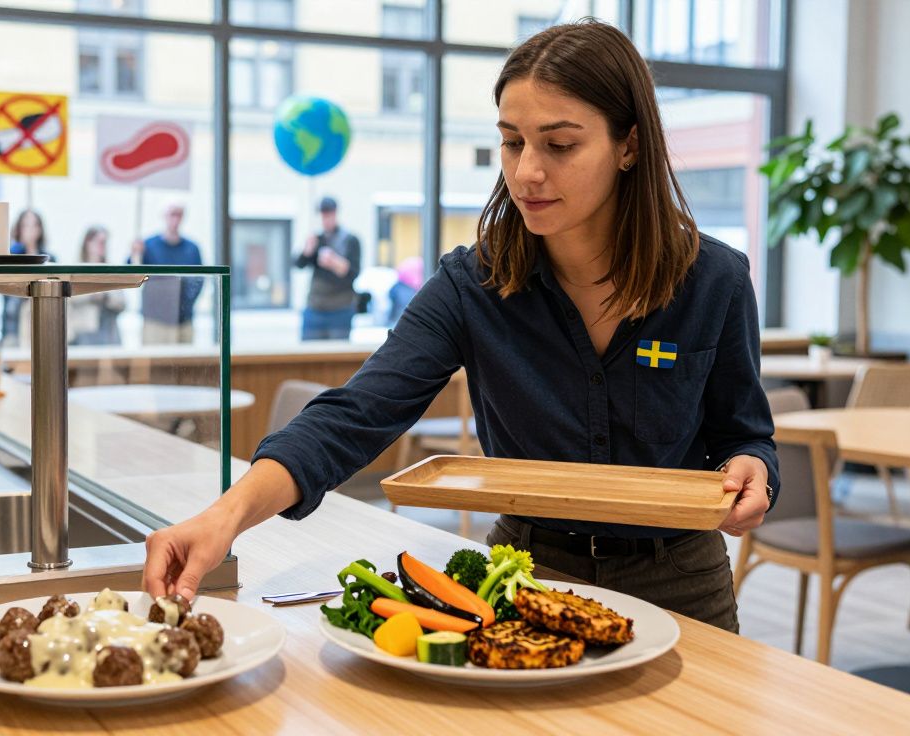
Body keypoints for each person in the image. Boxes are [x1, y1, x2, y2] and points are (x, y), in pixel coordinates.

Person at [142, 21, 779, 634]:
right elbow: (355, 414)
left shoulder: (714, 279)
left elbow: (743, 433)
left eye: (560, 145)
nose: (527, 170)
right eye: (512, 141)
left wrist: (753, 466)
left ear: (629, 146)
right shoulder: (473, 284)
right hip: (526, 575)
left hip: (682, 583)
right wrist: (224, 518)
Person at [129, 204, 203, 346]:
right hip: (155, 321)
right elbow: (133, 274)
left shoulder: (192, 248)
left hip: (183, 320)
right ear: (164, 216)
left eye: (179, 214)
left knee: (184, 365)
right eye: (172, 214)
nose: (175, 219)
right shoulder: (147, 246)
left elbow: (198, 281)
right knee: (156, 364)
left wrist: (184, 306)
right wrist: (136, 254)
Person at [295, 197, 361, 340]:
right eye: (323, 215)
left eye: (328, 214)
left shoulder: (350, 240)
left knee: (337, 356)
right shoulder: (317, 239)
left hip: (340, 310)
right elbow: (299, 264)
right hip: (315, 308)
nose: (325, 218)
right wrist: (308, 250)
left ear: (335, 213)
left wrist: (334, 262)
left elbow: (354, 273)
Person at [69, 226, 126, 346]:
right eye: (98, 242)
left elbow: (122, 303)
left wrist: (106, 297)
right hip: (84, 330)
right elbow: (68, 298)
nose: (102, 246)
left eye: (104, 243)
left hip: (109, 330)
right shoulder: (75, 269)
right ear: (87, 243)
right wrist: (90, 295)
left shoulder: (112, 270)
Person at [1, 208, 48, 345]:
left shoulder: (49, 257)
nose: (30, 230)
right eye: (25, 225)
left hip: (42, 322)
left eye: (34, 225)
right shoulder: (10, 256)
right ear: (19, 229)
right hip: (13, 326)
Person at [387, 256, 424, 327]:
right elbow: (417, 281)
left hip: (400, 285)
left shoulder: (413, 262)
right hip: (406, 287)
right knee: (402, 309)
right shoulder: (419, 264)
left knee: (397, 309)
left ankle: (392, 322)